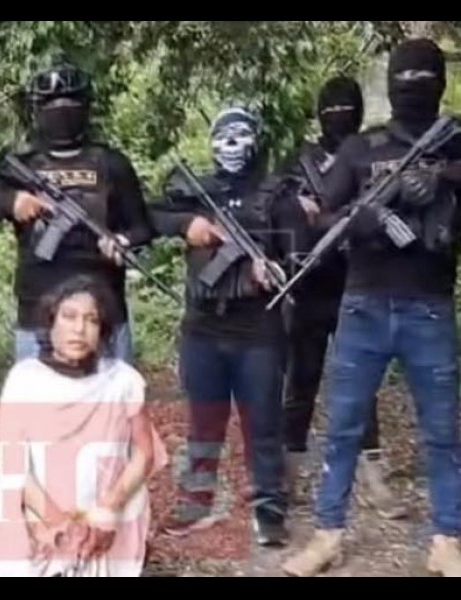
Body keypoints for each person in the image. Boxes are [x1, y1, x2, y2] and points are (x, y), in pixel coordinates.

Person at [283, 38, 461, 577]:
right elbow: (322, 216)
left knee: (442, 432)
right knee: (343, 427)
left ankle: (447, 540)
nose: (413, 88)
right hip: (363, 305)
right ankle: (328, 535)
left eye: (422, 78)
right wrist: (361, 219)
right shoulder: (362, 147)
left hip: (429, 306)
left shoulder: (454, 143)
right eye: (405, 78)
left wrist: (442, 184)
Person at [150, 106, 308, 547]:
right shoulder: (197, 190)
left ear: (256, 139)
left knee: (264, 423)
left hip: (259, 331)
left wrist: (273, 268)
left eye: (241, 135)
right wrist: (188, 224)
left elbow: (301, 254)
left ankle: (269, 509)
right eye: (223, 136)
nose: (232, 145)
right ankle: (197, 502)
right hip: (203, 328)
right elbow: (148, 217)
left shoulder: (276, 194)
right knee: (204, 421)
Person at [0, 57, 154, 363]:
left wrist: (123, 242)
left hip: (102, 314)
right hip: (38, 315)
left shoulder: (111, 163)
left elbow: (143, 228)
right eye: (52, 104)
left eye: (71, 103)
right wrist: (10, 201)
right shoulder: (21, 165)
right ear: (36, 110)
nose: (62, 112)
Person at [280, 76, 405, 518]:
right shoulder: (299, 161)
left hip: (358, 281)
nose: (339, 116)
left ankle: (373, 476)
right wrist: (299, 213)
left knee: (361, 382)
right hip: (309, 283)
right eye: (331, 109)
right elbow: (274, 211)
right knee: (302, 380)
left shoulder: (370, 154)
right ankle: (288, 474)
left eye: (346, 108)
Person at [0, 275, 168, 577]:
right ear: (51, 323)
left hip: (104, 521)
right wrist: (63, 527)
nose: (79, 329)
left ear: (102, 330)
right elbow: (13, 467)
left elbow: (143, 455)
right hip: (41, 523)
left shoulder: (123, 381)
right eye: (69, 317)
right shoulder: (25, 380)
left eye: (91, 320)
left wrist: (106, 511)